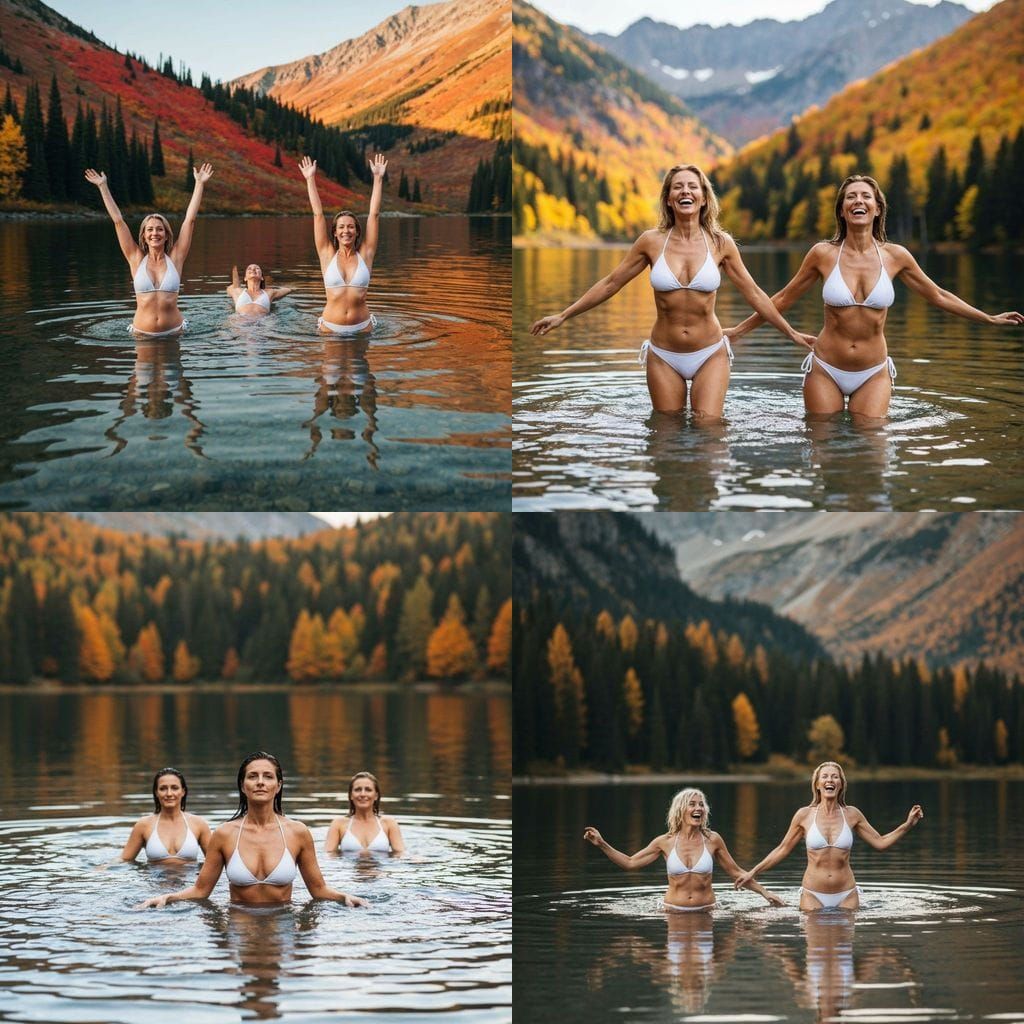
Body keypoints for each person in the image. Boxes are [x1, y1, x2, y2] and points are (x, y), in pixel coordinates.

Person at [725, 174, 1024, 417]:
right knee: (823, 452)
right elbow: (782, 300)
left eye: (866, 196)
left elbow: (939, 295)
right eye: (851, 197)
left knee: (871, 454)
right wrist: (739, 330)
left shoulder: (896, 256)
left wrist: (988, 318)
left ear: (877, 208)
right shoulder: (823, 254)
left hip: (873, 372)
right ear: (842, 210)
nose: (858, 201)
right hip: (826, 368)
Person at [529, 164, 816, 418]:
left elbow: (754, 294)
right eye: (677, 187)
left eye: (692, 186)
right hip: (664, 354)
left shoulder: (721, 243)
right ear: (669, 198)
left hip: (710, 352)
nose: (685, 191)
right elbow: (610, 283)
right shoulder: (651, 242)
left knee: (709, 429)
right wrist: (563, 315)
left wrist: (790, 333)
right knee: (665, 435)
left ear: (703, 198)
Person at [139, 751, 366, 908]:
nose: (260, 782)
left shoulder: (298, 832)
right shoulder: (224, 834)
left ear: (278, 786)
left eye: (268, 777)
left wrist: (344, 897)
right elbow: (201, 890)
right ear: (242, 785)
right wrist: (167, 897)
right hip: (239, 922)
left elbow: (318, 890)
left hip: (283, 922)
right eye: (252, 776)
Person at [733, 761, 924, 910]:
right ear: (817, 785)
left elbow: (881, 843)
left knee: (843, 959)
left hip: (847, 895)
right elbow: (782, 850)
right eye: (825, 777)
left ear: (841, 785)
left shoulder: (852, 814)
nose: (830, 780)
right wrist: (753, 872)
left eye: (835, 777)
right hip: (812, 895)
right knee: (816, 958)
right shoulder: (804, 815)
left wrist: (907, 825)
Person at [583, 787, 783, 910]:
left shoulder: (713, 839)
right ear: (680, 810)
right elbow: (630, 863)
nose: (698, 808)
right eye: (692, 804)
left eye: (701, 804)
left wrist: (765, 893)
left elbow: (737, 873)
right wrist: (602, 844)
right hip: (672, 912)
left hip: (707, 911)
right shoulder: (665, 842)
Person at [84, 163, 214, 336]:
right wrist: (103, 186)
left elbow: (189, 220)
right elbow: (118, 221)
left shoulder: (176, 258)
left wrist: (199, 184)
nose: (155, 233)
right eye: (150, 229)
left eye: (160, 229)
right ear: (144, 235)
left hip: (175, 332)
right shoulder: (135, 258)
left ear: (167, 234)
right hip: (141, 334)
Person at [299, 153, 387, 336]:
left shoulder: (366, 253)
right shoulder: (326, 254)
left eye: (350, 227)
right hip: (330, 329)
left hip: (362, 329)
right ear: (335, 232)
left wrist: (378, 178)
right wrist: (310, 179)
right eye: (341, 227)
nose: (346, 231)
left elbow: (374, 215)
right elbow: (318, 215)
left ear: (357, 231)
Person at [116, 767, 211, 864]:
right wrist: (102, 869)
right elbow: (124, 859)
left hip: (191, 878)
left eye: (174, 788)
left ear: (183, 791)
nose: (169, 793)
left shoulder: (199, 824)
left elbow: (214, 861)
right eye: (163, 788)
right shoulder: (143, 825)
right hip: (154, 878)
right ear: (156, 793)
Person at [325, 771, 406, 853]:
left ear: (376, 796)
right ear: (351, 795)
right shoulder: (338, 824)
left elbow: (400, 854)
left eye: (368, 790)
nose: (363, 794)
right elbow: (328, 856)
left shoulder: (389, 823)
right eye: (357, 790)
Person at [226, 263, 293, 316]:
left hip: (263, 323)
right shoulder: (237, 291)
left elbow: (288, 289)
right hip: (240, 323)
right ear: (245, 278)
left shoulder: (270, 293)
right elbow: (232, 285)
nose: (253, 269)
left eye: (257, 268)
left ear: (262, 278)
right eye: (249, 268)